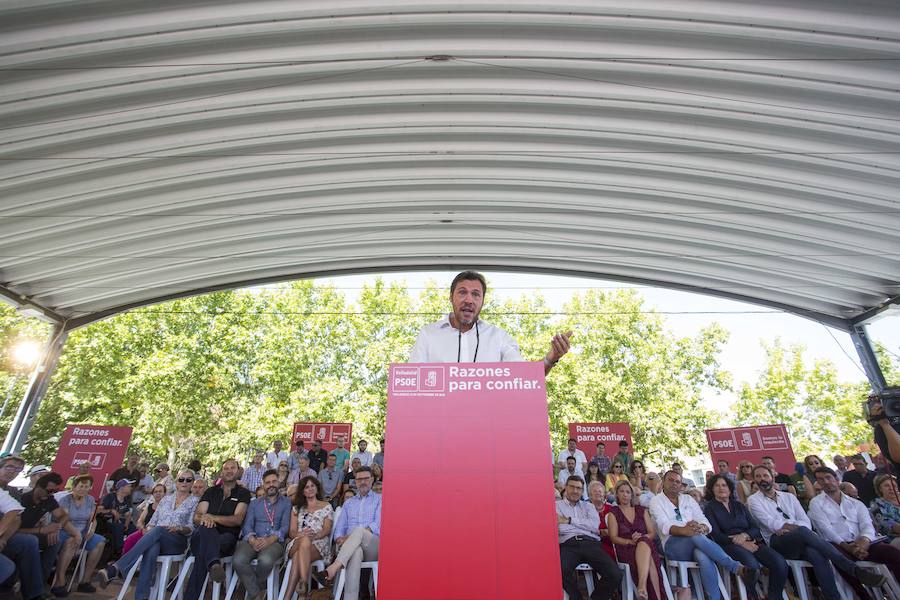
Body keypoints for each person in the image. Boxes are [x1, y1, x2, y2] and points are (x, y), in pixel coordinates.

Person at [746, 464, 884, 600]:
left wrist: (790, 527)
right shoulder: (753, 501)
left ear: (772, 477)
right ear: (754, 480)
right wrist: (793, 528)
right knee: (803, 532)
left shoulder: (789, 497)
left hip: (802, 540)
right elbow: (772, 525)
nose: (762, 479)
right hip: (778, 543)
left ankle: (833, 597)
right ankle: (853, 569)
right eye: (758, 476)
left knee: (817, 555)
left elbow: (805, 521)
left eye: (765, 475)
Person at [409, 270, 572, 372]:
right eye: (462, 292)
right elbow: (412, 382)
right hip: (440, 422)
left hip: (486, 423)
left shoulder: (498, 336)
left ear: (482, 301)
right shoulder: (428, 334)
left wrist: (551, 358)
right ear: (451, 297)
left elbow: (525, 377)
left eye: (475, 294)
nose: (469, 300)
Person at [649, 470, 754, 600]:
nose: (674, 484)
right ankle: (734, 566)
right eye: (670, 480)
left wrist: (702, 527)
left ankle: (714, 598)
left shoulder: (687, 499)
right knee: (695, 536)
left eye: (677, 481)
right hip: (672, 545)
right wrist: (686, 530)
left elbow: (704, 521)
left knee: (702, 555)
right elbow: (664, 526)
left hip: (696, 542)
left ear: (681, 484)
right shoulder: (656, 501)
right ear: (663, 482)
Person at [95, 469, 199, 599]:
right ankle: (141, 597)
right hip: (157, 538)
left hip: (177, 541)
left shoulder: (195, 501)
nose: (184, 482)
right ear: (176, 482)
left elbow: (192, 527)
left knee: (159, 530)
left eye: (188, 480)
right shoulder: (166, 500)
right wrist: (148, 529)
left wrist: (179, 528)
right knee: (152, 546)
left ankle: (117, 567)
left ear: (192, 483)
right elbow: (153, 522)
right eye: (181, 479)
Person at [703, 474, 787, 600]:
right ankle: (753, 595)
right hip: (728, 545)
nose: (721, 488)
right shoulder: (709, 508)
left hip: (751, 541)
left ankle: (774, 595)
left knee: (780, 562)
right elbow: (716, 535)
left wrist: (744, 535)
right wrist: (740, 542)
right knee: (751, 565)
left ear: (730, 488)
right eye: (717, 485)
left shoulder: (739, 505)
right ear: (712, 489)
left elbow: (755, 528)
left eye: (724, 485)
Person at [809, 467, 900, 582]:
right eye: (821, 479)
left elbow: (867, 525)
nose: (826, 482)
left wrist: (864, 542)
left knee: (893, 553)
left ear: (837, 480)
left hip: (863, 544)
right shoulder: (816, 503)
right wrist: (848, 547)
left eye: (828, 477)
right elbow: (825, 528)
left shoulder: (855, 503)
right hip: (839, 545)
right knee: (840, 559)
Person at [184, 458, 252, 600]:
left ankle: (191, 596)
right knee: (205, 530)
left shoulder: (243, 493)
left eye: (232, 468)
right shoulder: (210, 491)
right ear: (222, 472)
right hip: (202, 536)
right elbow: (197, 517)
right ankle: (214, 562)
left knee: (204, 550)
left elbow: (237, 519)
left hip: (226, 539)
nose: (229, 471)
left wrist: (211, 518)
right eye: (226, 468)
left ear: (238, 471)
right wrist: (206, 519)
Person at [314, 466, 380, 600]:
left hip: (373, 546)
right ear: (355, 481)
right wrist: (339, 538)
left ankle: (332, 569)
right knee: (355, 553)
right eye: (359, 479)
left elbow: (377, 526)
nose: (362, 482)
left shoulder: (380, 499)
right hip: (352, 548)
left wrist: (349, 538)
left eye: (366, 478)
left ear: (372, 479)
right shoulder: (348, 503)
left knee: (359, 531)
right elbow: (339, 529)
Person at [555, 475, 622, 600]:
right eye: (572, 487)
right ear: (565, 487)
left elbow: (594, 526)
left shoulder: (589, 506)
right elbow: (560, 529)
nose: (575, 491)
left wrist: (568, 520)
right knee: (559, 571)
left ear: (582, 491)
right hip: (568, 544)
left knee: (615, 573)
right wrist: (583, 525)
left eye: (579, 488)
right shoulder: (556, 505)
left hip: (590, 544)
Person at [233, 470, 291, 600]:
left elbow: (285, 526)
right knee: (238, 560)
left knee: (265, 561)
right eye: (267, 482)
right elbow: (247, 525)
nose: (271, 485)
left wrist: (270, 539)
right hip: (253, 540)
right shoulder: (254, 503)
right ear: (263, 485)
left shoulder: (286, 502)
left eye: (274, 481)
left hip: (274, 542)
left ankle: (251, 589)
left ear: (279, 483)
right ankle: (257, 593)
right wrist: (252, 539)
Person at [16, 472, 80, 586]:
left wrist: (56, 528)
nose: (52, 494)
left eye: (55, 491)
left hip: (32, 533)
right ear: (38, 487)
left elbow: (64, 515)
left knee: (55, 541)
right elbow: (13, 529)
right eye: (50, 491)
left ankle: (39, 582)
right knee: (32, 541)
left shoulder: (49, 500)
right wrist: (41, 530)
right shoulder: (22, 499)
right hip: (15, 533)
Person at [608, 480, 662, 600]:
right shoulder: (614, 512)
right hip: (626, 548)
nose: (625, 494)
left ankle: (642, 587)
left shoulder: (641, 510)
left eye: (628, 492)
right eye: (621, 491)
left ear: (631, 495)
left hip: (645, 545)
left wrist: (642, 538)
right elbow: (613, 537)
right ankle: (653, 595)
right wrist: (630, 541)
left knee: (644, 542)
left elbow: (652, 533)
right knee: (650, 558)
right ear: (616, 494)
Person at [282, 476, 334, 600]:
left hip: (319, 542)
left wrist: (315, 536)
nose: (310, 489)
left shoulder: (326, 506)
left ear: (317, 488)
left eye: (312, 486)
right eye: (306, 487)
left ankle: (289, 596)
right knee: (304, 541)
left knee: (298, 556)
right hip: (297, 541)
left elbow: (327, 529)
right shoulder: (296, 508)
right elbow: (292, 532)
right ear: (302, 491)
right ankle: (304, 585)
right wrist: (303, 535)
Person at [54, 475, 106, 595]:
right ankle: (59, 581)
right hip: (66, 530)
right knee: (72, 542)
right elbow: (65, 520)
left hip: (83, 530)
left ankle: (85, 581)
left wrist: (91, 530)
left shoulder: (90, 500)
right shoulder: (65, 500)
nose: (83, 489)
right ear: (74, 487)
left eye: (86, 486)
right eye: (80, 486)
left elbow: (93, 519)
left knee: (100, 542)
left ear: (90, 488)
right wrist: (76, 534)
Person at [99, 478, 137, 558]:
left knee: (133, 528)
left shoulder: (126, 499)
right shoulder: (109, 497)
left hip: (120, 522)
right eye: (129, 486)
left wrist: (126, 524)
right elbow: (99, 510)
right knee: (119, 527)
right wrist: (111, 511)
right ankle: (118, 552)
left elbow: (128, 514)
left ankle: (131, 550)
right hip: (107, 522)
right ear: (122, 488)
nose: (131, 488)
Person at [871, 474, 900, 547]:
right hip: (894, 538)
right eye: (887, 486)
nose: (891, 488)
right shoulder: (876, 504)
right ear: (880, 489)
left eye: (894, 485)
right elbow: (888, 525)